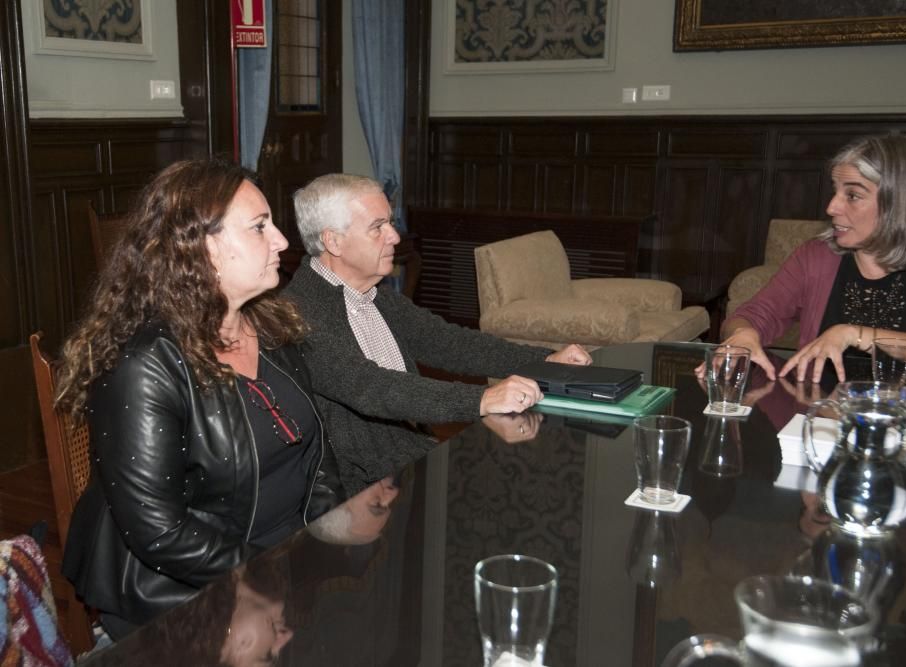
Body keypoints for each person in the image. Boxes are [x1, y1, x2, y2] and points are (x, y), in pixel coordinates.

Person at [55, 159, 344, 640]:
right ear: (199, 248)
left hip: (280, 566)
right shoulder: (146, 364)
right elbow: (160, 531)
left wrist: (325, 546)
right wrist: (273, 575)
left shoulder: (271, 327)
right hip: (182, 591)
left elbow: (317, 460)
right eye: (259, 227)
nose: (282, 241)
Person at [283, 174, 592, 493]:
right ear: (333, 241)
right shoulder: (297, 312)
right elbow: (372, 388)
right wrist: (482, 398)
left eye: (389, 223)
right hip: (364, 484)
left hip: (412, 455)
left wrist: (544, 359)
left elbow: (453, 344)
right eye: (378, 227)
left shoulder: (376, 295)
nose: (393, 236)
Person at [720, 134, 906, 382]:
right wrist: (742, 335)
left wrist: (852, 334)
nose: (832, 207)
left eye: (853, 195)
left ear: (900, 203)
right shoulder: (816, 254)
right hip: (823, 413)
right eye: (836, 191)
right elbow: (751, 316)